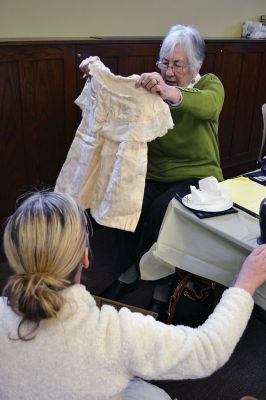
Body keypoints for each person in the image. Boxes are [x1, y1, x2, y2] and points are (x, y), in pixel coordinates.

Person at [1, 190, 266, 400]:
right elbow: (208, 349)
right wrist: (245, 284)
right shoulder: (117, 333)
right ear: (84, 257)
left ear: (14, 257)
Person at [79, 24, 225, 300]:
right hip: (154, 173)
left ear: (197, 65)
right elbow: (119, 100)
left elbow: (209, 105)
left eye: (178, 65)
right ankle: (131, 271)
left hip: (198, 175)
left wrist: (172, 94)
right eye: (165, 63)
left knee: (162, 212)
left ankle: (161, 286)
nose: (169, 72)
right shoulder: (151, 86)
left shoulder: (209, 84)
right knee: (123, 201)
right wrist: (96, 76)